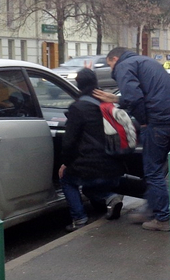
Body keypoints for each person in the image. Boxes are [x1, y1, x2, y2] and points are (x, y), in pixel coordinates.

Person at [93, 47, 170, 232]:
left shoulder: (123, 65)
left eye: (110, 64)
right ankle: (152, 210)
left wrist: (142, 122)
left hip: (157, 122)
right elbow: (143, 94)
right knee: (156, 168)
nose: (111, 70)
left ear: (115, 58)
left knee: (152, 171)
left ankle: (163, 218)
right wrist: (117, 99)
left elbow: (134, 98)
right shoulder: (145, 61)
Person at [59, 68, 125, 232]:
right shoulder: (106, 104)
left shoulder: (78, 108)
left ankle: (79, 219)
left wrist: (65, 164)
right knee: (90, 187)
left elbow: (69, 142)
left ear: (79, 85)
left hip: (90, 167)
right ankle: (110, 197)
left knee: (66, 179)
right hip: (114, 167)